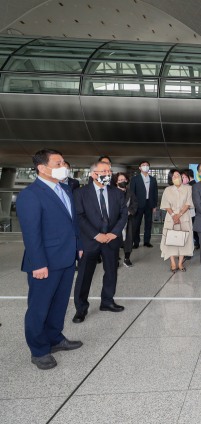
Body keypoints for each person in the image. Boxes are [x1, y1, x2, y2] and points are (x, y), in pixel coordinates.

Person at [16, 149, 84, 370]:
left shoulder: (65, 188)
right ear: (42, 168)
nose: (63, 166)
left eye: (63, 162)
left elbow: (73, 223)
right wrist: (38, 264)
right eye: (58, 163)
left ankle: (55, 338)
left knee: (59, 304)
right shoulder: (30, 195)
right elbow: (31, 234)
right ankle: (38, 350)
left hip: (66, 258)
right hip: (45, 262)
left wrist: (79, 247)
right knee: (39, 307)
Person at [72, 161, 128, 324]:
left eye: (109, 171)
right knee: (84, 275)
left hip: (111, 239)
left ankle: (107, 301)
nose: (108, 174)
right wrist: (96, 235)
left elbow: (123, 214)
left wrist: (113, 233)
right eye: (104, 171)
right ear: (93, 174)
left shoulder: (117, 192)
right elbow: (79, 217)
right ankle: (81, 308)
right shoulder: (80, 193)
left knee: (111, 271)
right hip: (90, 240)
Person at [160, 169, 194, 272]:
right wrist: (174, 216)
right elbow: (166, 205)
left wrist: (179, 215)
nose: (176, 177)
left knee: (184, 240)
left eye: (178, 175)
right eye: (174, 176)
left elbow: (188, 203)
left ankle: (180, 263)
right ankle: (173, 263)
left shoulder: (188, 189)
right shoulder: (167, 190)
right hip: (171, 217)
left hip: (184, 217)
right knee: (171, 240)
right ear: (171, 178)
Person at [130, 160, 158, 249]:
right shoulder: (135, 179)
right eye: (143, 165)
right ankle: (136, 242)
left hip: (149, 203)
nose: (145, 166)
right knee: (137, 224)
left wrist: (154, 205)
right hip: (138, 204)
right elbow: (132, 193)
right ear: (140, 167)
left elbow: (155, 193)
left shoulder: (153, 179)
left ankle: (147, 241)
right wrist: (132, 206)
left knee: (148, 223)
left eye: (147, 165)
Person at [112, 172, 137, 267]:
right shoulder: (112, 192)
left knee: (129, 239)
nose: (123, 181)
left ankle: (127, 259)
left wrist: (129, 212)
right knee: (115, 240)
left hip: (129, 219)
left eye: (124, 179)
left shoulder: (130, 192)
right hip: (116, 220)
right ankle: (115, 259)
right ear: (116, 182)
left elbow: (135, 204)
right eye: (120, 180)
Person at [186, 169, 200, 250]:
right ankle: (198, 243)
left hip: (192, 210)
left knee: (192, 227)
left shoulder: (191, 186)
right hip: (194, 210)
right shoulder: (196, 184)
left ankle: (198, 243)